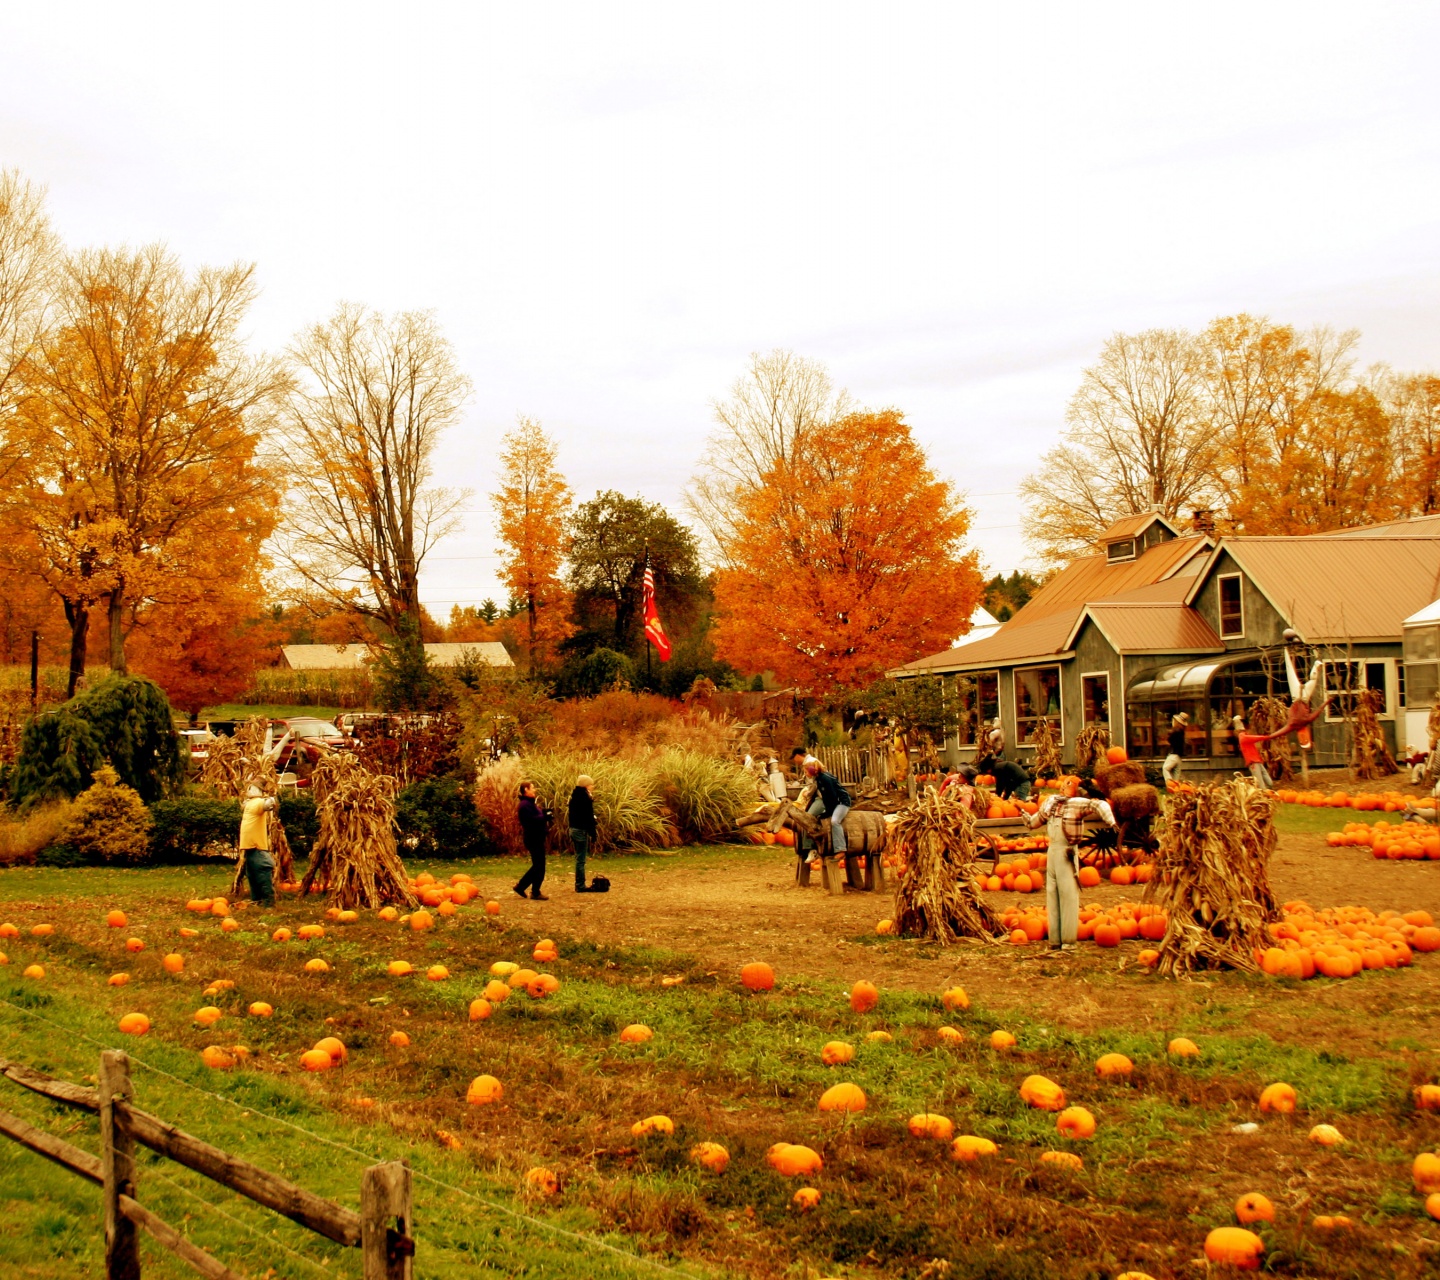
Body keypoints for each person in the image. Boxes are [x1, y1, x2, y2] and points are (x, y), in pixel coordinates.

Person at [1024, 790, 1117, 951]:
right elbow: (1034, 822)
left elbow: (1098, 804)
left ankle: (1068, 940)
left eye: (1069, 784)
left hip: (1067, 851)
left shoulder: (1076, 804)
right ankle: (1054, 940)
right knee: (1052, 893)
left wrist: (1110, 821)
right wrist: (1025, 817)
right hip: (1053, 851)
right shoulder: (1050, 803)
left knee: (1068, 895)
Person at [805, 758, 852, 860]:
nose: (805, 774)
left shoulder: (825, 778)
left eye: (806, 771)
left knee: (835, 821)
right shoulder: (818, 778)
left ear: (812, 770)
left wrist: (829, 812)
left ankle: (841, 849)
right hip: (835, 803)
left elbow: (832, 797)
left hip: (842, 803)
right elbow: (826, 798)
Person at [239, 784, 278, 908]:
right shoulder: (250, 803)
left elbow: (268, 805)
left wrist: (271, 799)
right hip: (249, 847)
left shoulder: (258, 802)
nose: (249, 789)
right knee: (252, 875)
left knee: (262, 870)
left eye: (252, 787)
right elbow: (244, 805)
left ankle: (268, 903)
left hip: (257, 846)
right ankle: (257, 900)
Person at [514, 782, 550, 900]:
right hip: (533, 838)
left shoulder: (530, 804)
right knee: (539, 866)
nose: (535, 790)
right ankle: (532, 890)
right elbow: (530, 821)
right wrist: (544, 817)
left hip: (536, 838)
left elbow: (537, 817)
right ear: (526, 789)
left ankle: (524, 887)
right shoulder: (525, 805)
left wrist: (544, 813)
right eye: (532, 788)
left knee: (538, 865)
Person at [568, 774, 598, 893]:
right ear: (586, 786)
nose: (592, 787)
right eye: (591, 784)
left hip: (573, 829)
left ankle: (579, 884)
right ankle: (580, 885)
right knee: (581, 859)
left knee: (579, 857)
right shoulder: (585, 799)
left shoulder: (574, 797)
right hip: (580, 830)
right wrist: (593, 833)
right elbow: (588, 817)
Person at [1232, 715, 1276, 790]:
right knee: (1260, 785)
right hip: (1253, 763)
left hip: (1258, 762)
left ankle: (1267, 794)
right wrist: (1267, 737)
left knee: (1270, 783)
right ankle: (1263, 797)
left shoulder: (1245, 736)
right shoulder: (1242, 737)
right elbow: (1255, 738)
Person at [1162, 713, 1189, 785]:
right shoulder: (1182, 732)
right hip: (1179, 758)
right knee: (1176, 778)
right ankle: (1176, 793)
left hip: (1173, 755)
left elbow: (1169, 739)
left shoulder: (1175, 731)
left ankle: (1171, 784)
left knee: (1165, 768)